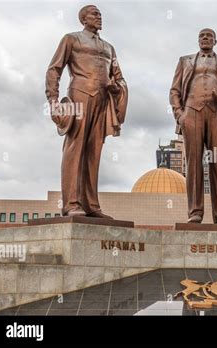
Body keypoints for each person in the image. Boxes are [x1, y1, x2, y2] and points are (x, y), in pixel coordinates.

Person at [45, 5, 128, 218]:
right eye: (94, 14)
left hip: (102, 100)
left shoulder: (110, 48)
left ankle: (91, 204)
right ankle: (71, 204)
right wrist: (53, 101)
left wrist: (117, 87)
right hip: (79, 96)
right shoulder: (71, 39)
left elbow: (119, 77)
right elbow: (54, 69)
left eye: (100, 14)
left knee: (94, 151)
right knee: (75, 147)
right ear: (83, 19)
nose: (99, 17)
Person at [170, 28, 217, 223]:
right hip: (191, 113)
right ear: (198, 41)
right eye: (202, 36)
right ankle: (195, 212)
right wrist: (180, 115)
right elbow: (174, 91)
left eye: (209, 36)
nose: (205, 38)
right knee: (193, 163)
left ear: (215, 41)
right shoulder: (184, 61)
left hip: (216, 113)